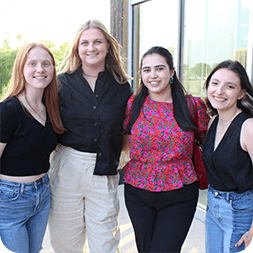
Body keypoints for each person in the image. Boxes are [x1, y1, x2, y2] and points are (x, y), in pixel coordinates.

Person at [48, 19, 132, 253]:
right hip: (67, 165)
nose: (91, 47)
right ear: (77, 48)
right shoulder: (60, 83)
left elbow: (129, 131)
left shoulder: (122, 86)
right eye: (84, 42)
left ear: (108, 46)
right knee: (66, 242)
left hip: (104, 169)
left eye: (97, 41)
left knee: (105, 243)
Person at [122, 46, 210, 253]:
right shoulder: (133, 104)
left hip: (179, 192)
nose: (153, 75)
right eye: (146, 70)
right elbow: (124, 141)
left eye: (159, 68)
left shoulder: (193, 105)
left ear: (171, 72)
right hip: (137, 191)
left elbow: (211, 140)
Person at [0, 42, 64, 253]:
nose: (40, 69)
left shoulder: (51, 109)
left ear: (53, 69)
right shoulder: (8, 111)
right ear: (21, 68)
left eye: (46, 64)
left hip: (43, 194)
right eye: (33, 63)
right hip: (10, 199)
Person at [202, 60, 253, 252]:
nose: (219, 91)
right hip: (214, 205)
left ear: (241, 93)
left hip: (241, 210)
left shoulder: (248, 127)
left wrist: (252, 232)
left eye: (229, 86)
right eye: (215, 83)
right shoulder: (213, 122)